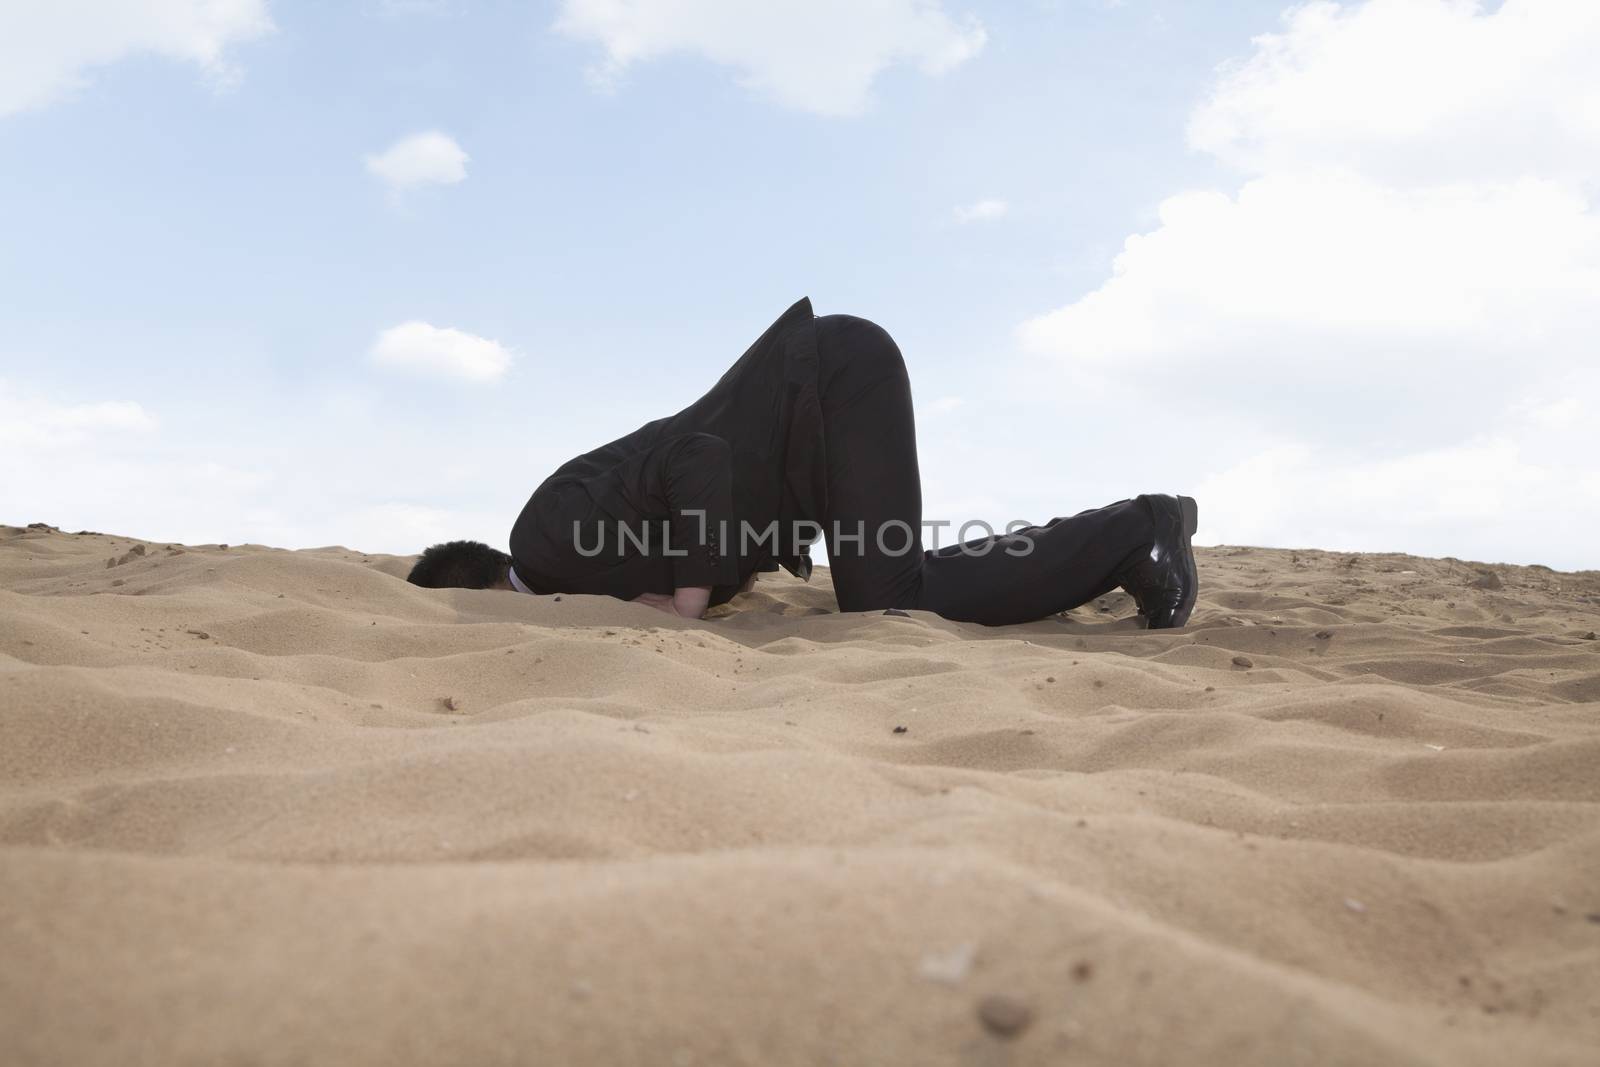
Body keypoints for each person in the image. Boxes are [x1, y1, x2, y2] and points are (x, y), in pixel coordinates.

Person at [406, 297, 1199, 627]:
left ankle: (1142, 531)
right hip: (816, 428)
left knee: (887, 594)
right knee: (891, 585)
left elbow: (698, 456)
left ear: (475, 593)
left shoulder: (545, 540)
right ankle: (1132, 535)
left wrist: (684, 604)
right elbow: (699, 515)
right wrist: (714, 581)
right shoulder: (582, 576)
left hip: (827, 380)